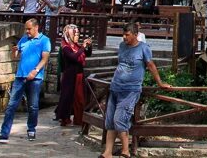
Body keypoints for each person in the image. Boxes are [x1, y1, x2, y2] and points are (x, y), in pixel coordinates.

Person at [99, 23, 171, 158]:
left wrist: (160, 83)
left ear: (135, 35)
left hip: (130, 90)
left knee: (120, 119)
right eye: (123, 34)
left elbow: (150, 65)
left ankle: (125, 151)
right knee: (110, 121)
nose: (124, 37)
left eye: (127, 35)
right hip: (115, 87)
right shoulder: (122, 46)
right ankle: (108, 152)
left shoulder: (143, 48)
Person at [0, 18, 52, 143]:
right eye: (26, 29)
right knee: (11, 105)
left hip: (35, 78)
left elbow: (45, 59)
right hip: (20, 76)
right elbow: (15, 57)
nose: (27, 31)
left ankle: (31, 129)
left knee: (33, 106)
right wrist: (14, 52)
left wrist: (35, 71)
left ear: (36, 27)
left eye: (29, 29)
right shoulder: (23, 39)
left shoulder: (44, 40)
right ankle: (4, 133)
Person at [55, 24, 92, 127]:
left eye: (78, 35)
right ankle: (65, 118)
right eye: (75, 34)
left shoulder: (77, 46)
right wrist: (83, 47)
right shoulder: (65, 47)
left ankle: (79, 119)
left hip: (79, 75)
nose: (77, 37)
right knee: (67, 98)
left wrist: (89, 46)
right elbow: (74, 57)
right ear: (69, 35)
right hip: (70, 76)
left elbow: (87, 54)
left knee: (79, 99)